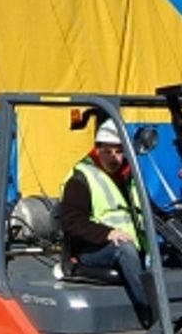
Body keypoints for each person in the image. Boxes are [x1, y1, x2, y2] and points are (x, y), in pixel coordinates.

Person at [57, 118, 151, 323]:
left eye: (118, 151)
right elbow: (71, 221)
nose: (113, 157)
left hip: (131, 246)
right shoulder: (81, 178)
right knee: (124, 249)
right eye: (108, 151)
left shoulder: (128, 177)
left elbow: (145, 211)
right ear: (97, 150)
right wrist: (107, 233)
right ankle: (151, 312)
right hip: (92, 250)